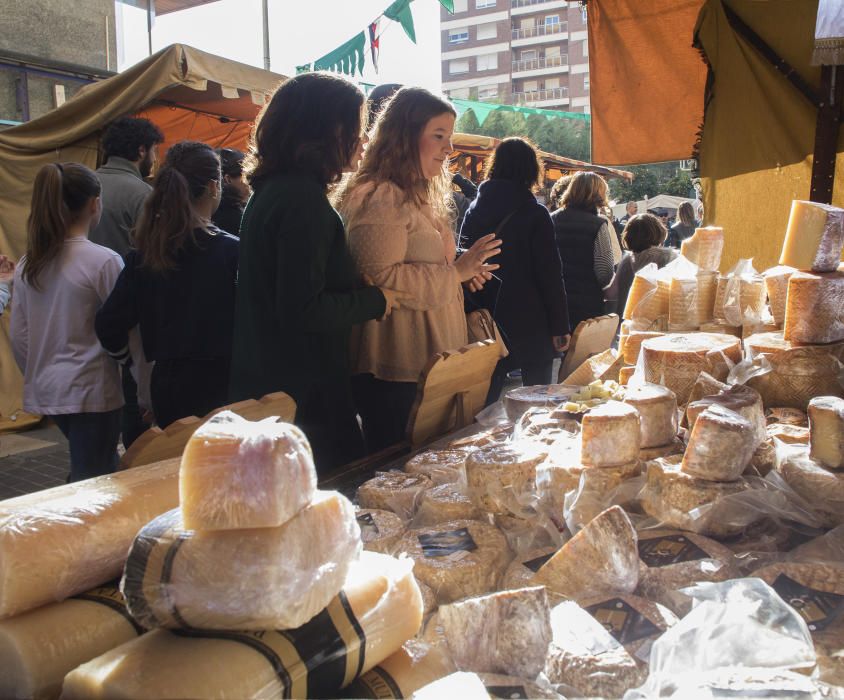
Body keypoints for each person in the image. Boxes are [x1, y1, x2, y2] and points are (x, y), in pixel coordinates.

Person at [229, 73, 408, 473]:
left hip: (276, 384)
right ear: (327, 131)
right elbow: (301, 309)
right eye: (358, 129)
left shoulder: (276, 192)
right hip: (305, 398)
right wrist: (375, 300)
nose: (364, 141)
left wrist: (346, 285)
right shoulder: (301, 201)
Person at [336, 87, 500, 454]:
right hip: (397, 368)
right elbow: (379, 280)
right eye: (438, 136)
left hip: (430, 360)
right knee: (399, 470)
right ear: (405, 137)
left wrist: (461, 266)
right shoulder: (380, 196)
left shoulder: (416, 194)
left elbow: (417, 257)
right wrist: (455, 272)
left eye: (450, 137)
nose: (449, 148)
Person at [95, 141, 239, 429]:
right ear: (213, 186)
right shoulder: (231, 251)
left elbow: (107, 325)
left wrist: (137, 368)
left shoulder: (145, 254)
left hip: (167, 387)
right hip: (226, 384)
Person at [10, 163, 123, 481]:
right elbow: (125, 331)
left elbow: (20, 336)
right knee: (93, 478)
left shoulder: (29, 263)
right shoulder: (104, 261)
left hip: (49, 387)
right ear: (94, 203)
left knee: (95, 467)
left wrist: (38, 369)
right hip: (93, 390)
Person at [460, 137, 570, 404]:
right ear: (531, 170)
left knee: (483, 405)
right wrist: (560, 326)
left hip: (486, 322)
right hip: (531, 322)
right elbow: (550, 274)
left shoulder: (473, 210)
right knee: (537, 404)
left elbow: (462, 261)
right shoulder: (534, 214)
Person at [89, 116, 163, 449]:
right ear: (141, 149)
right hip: (128, 322)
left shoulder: (82, 185)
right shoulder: (142, 194)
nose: (156, 158)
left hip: (79, 322)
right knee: (134, 415)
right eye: (154, 151)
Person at [550, 171, 616, 332]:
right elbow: (604, 271)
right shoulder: (598, 224)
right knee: (584, 353)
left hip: (554, 299)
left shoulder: (551, 219)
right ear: (598, 194)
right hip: (587, 302)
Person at [604, 213, 678, 316]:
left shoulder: (627, 261)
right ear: (659, 232)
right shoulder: (671, 258)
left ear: (628, 236)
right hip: (662, 319)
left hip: (630, 321)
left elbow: (611, 293)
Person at [212, 147, 250, 236]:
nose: (250, 180)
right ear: (228, 179)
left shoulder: (210, 211)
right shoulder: (236, 218)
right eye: (246, 175)